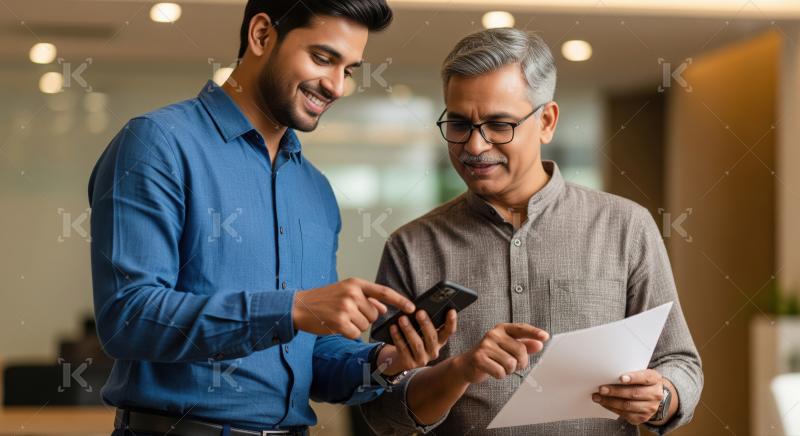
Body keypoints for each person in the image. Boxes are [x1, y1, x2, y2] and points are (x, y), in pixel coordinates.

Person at [88, 1, 453, 435]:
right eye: (322, 58)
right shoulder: (157, 144)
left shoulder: (316, 190)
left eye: (350, 69)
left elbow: (312, 355)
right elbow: (129, 318)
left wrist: (385, 363)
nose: (336, 86)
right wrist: (292, 308)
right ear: (261, 35)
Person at [361, 28, 703, 435]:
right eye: (459, 124)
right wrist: (460, 370)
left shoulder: (626, 226)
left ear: (546, 121)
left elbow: (680, 363)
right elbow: (380, 408)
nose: (474, 146)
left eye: (499, 124)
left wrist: (662, 398)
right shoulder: (411, 246)